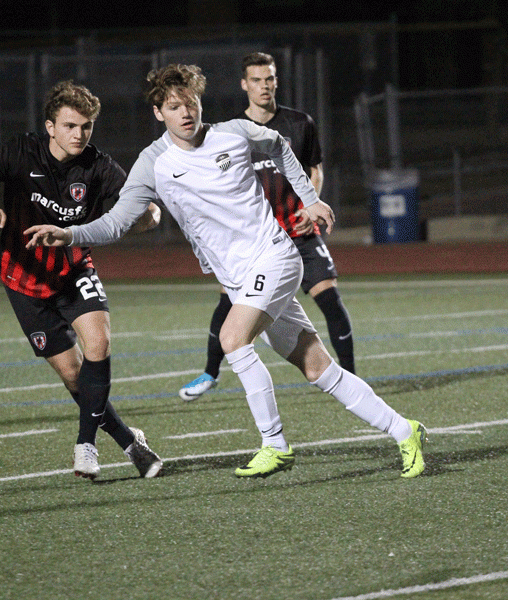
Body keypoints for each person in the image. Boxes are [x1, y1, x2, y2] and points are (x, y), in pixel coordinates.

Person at [25, 64, 427, 479]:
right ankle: (405, 430)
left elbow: (282, 148)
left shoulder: (234, 133)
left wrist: (308, 198)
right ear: (158, 112)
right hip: (239, 279)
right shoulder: (153, 163)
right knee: (318, 368)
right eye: (174, 106)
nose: (186, 113)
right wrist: (69, 235)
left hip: (273, 257)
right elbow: (115, 222)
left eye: (192, 104)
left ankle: (275, 444)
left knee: (233, 338)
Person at [0, 80, 163, 481]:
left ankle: (86, 444)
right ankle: (130, 442)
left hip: (74, 271)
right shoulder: (19, 151)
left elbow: (146, 210)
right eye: (70, 126)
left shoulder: (98, 165)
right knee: (73, 375)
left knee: (98, 342)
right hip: (24, 281)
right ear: (50, 127)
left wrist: (145, 218)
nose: (79, 134)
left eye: (86, 126)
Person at [178, 51, 355, 402]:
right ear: (244, 84)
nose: (264, 86)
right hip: (255, 241)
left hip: (300, 230)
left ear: (277, 80)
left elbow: (314, 169)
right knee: (227, 304)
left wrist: (310, 203)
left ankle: (351, 377)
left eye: (269, 78)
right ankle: (210, 374)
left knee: (330, 300)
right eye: (256, 80)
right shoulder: (230, 132)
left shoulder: (299, 123)